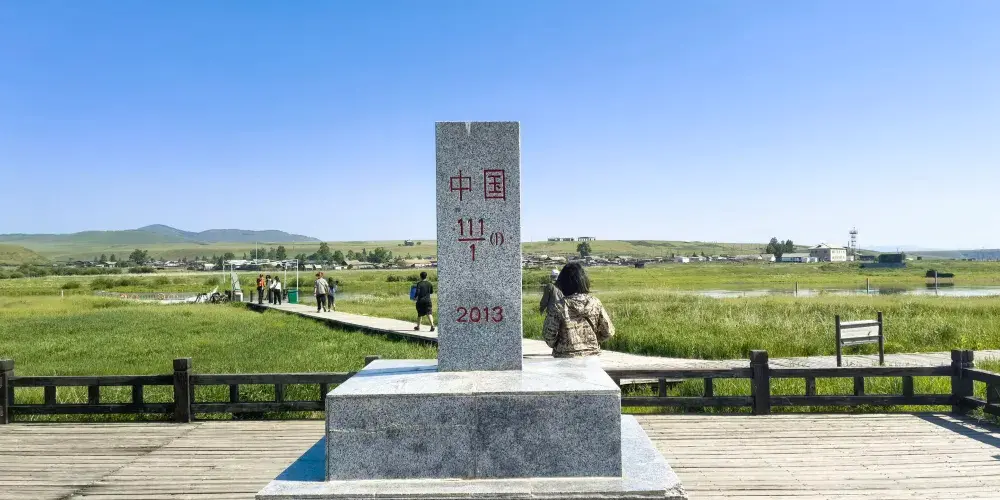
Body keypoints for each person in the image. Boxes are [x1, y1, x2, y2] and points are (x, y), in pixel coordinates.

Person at [542, 263, 614, 358]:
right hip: (592, 358)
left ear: (563, 283)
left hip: (564, 359)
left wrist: (561, 345)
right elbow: (608, 332)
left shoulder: (558, 307)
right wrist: (592, 341)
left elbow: (549, 336)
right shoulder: (595, 303)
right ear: (584, 281)